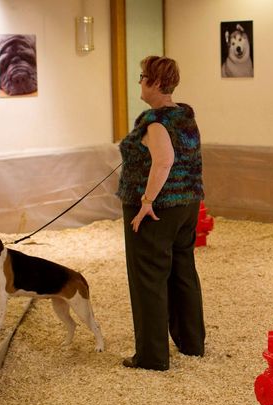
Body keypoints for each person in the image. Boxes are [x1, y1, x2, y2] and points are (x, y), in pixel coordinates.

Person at [116, 56, 206, 371]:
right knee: (183, 272)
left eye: (142, 77)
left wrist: (145, 202)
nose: (139, 82)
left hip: (158, 210)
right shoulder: (184, 115)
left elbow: (164, 160)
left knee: (148, 279)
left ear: (155, 83)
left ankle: (152, 356)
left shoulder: (156, 120)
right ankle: (191, 343)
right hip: (187, 205)